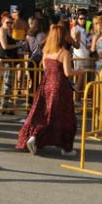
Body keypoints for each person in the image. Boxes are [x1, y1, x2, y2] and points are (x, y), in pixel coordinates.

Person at [16, 25, 76, 156]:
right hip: (60, 86)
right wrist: (82, 72)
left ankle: (34, 136)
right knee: (62, 116)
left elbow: (45, 69)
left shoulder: (46, 52)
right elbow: (68, 72)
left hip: (46, 85)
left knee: (43, 113)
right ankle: (65, 147)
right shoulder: (64, 53)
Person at [0, 11, 23, 111]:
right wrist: (18, 45)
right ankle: (4, 105)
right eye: (8, 23)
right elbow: (5, 46)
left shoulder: (7, 31)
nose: (10, 24)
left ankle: (6, 104)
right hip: (6, 59)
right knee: (7, 82)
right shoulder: (2, 31)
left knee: (9, 83)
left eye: (11, 23)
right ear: (2, 22)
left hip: (10, 59)